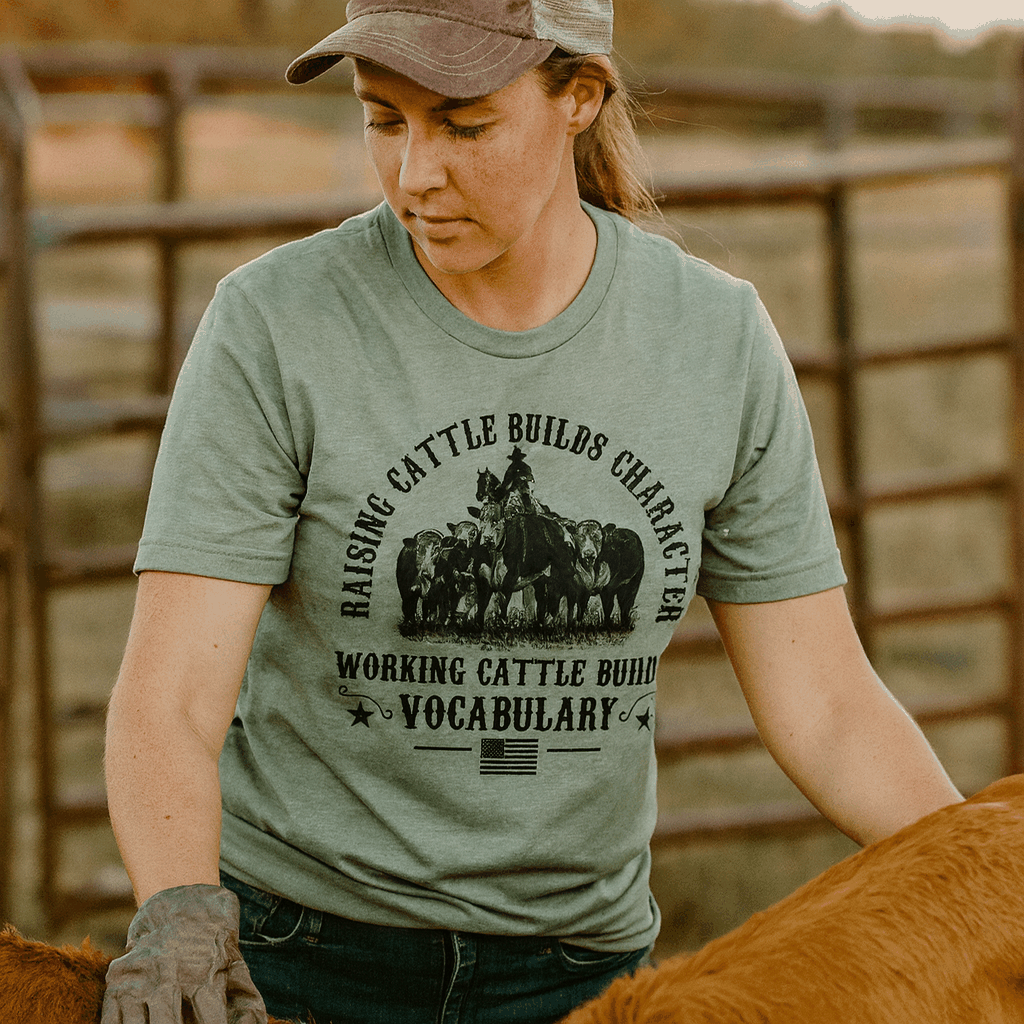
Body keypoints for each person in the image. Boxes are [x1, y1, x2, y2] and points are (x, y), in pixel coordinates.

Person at [100, 2, 964, 1022]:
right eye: (384, 120)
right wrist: (182, 914)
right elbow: (171, 698)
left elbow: (824, 706)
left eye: (463, 126)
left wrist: (981, 879)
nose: (417, 171)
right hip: (304, 959)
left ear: (579, 99)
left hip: (582, 975)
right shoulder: (277, 327)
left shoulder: (711, 339)